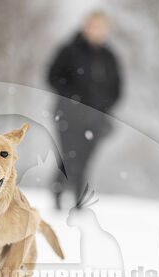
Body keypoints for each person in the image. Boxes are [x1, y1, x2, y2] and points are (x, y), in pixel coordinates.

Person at [47, 11, 122, 208]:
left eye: (99, 27)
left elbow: (117, 89)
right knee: (70, 155)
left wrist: (104, 107)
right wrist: (72, 97)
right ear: (84, 26)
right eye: (92, 26)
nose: (95, 30)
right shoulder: (69, 50)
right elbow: (53, 77)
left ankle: (78, 198)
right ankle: (58, 191)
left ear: (105, 30)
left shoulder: (109, 57)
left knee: (86, 158)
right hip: (68, 113)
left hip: (96, 117)